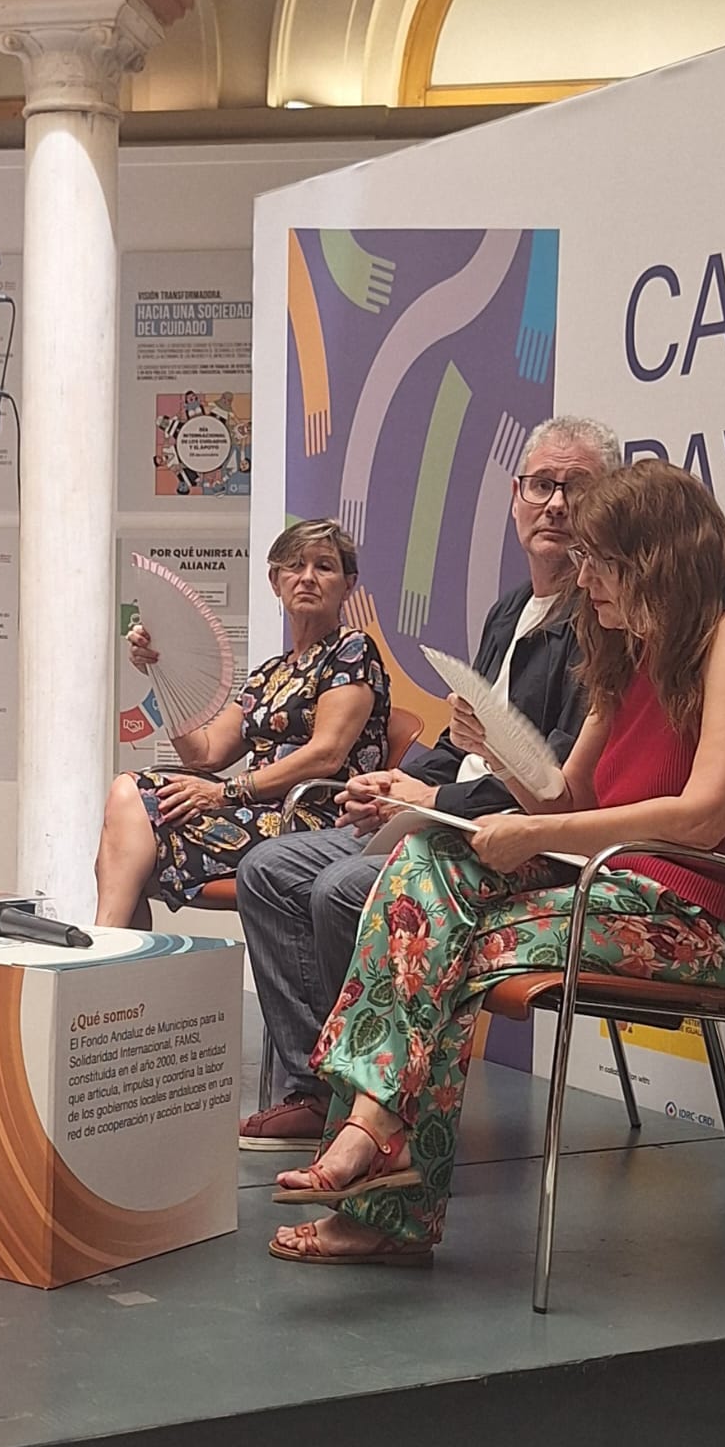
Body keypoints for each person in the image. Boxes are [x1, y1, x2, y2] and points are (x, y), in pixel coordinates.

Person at [269, 460, 725, 1266]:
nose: (584, 582)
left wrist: (531, 833)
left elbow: (706, 816)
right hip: (611, 888)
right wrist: (499, 755)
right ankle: (375, 1139)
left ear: (654, 557)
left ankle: (381, 1182)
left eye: (599, 563)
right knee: (426, 864)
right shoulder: (628, 650)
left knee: (444, 945)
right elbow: (567, 798)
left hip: (695, 920)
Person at [233, 415, 619, 1151]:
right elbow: (459, 740)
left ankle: (376, 1104)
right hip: (449, 812)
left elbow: (556, 777)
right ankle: (317, 1087)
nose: (556, 505)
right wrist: (394, 781)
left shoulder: (601, 620)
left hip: (511, 832)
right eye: (541, 485)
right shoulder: (510, 609)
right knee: (268, 870)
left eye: (577, 487)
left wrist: (433, 800)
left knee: (343, 887)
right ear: (515, 495)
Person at [95, 519, 390, 929]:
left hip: (315, 816)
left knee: (132, 846)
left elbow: (326, 755)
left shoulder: (351, 648)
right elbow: (205, 754)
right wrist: (160, 674)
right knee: (129, 794)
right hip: (257, 809)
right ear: (275, 581)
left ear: (348, 584)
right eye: (294, 566)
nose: (307, 577)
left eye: (324, 567)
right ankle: (110, 943)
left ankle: (105, 948)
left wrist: (224, 793)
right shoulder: (269, 673)